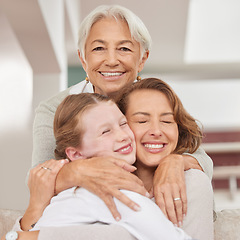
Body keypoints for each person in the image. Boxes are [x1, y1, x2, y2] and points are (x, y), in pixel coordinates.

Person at [16, 4, 213, 238]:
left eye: (124, 49)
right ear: (82, 58)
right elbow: (40, 177)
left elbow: (202, 160)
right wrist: (79, 170)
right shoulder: (55, 108)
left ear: (142, 59)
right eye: (99, 48)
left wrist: (174, 161)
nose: (111, 60)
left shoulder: (154, 99)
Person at [2, 93, 192, 240]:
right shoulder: (112, 192)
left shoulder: (69, 195)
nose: (123, 135)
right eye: (106, 131)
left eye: (123, 123)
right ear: (76, 154)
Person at [116, 78, 214, 239]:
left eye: (167, 121)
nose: (156, 131)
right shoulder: (101, 186)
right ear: (120, 127)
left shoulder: (193, 182)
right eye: (142, 120)